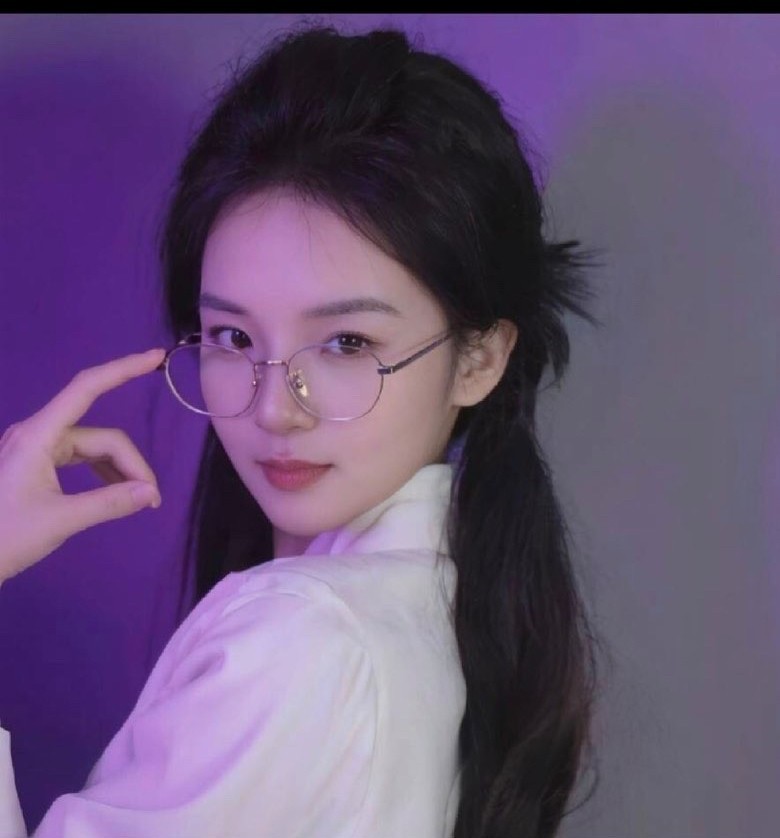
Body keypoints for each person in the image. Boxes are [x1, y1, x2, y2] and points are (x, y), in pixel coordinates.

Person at [0, 24, 597, 838]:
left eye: (347, 343)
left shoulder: (306, 639)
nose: (276, 409)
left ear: (479, 359)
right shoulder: (452, 610)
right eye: (233, 338)